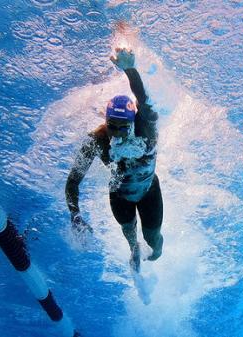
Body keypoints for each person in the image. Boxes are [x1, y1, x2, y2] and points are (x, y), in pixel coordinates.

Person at [65, 47, 163, 272]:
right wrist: (75, 214)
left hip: (149, 191)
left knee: (155, 244)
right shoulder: (97, 140)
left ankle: (151, 251)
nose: (117, 133)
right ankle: (133, 251)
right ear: (105, 121)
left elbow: (144, 98)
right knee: (131, 237)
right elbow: (73, 181)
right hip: (119, 195)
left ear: (133, 123)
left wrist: (130, 70)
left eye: (123, 127)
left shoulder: (145, 127)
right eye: (112, 126)